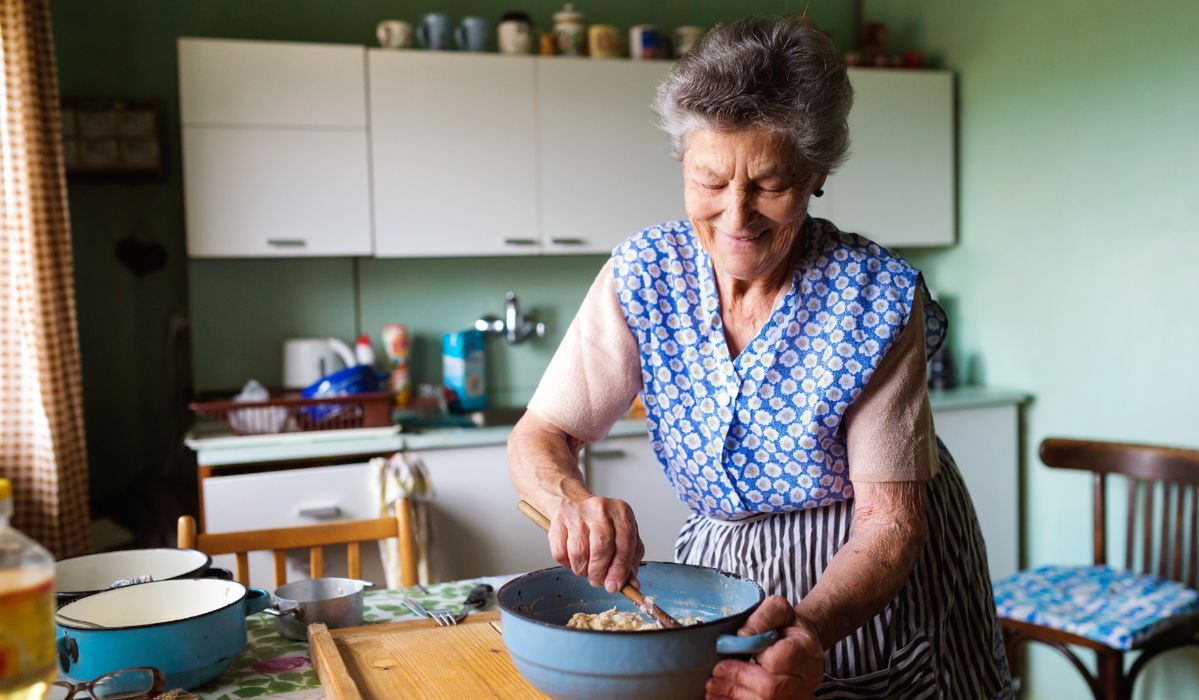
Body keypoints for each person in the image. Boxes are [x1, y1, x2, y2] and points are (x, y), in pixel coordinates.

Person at [508, 15, 1011, 699]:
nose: (737, 217)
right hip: (719, 569)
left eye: (770, 185)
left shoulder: (875, 297)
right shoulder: (643, 272)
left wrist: (808, 627)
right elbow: (541, 434)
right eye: (710, 181)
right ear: (683, 162)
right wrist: (569, 499)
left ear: (816, 175)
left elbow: (888, 524)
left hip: (864, 570)